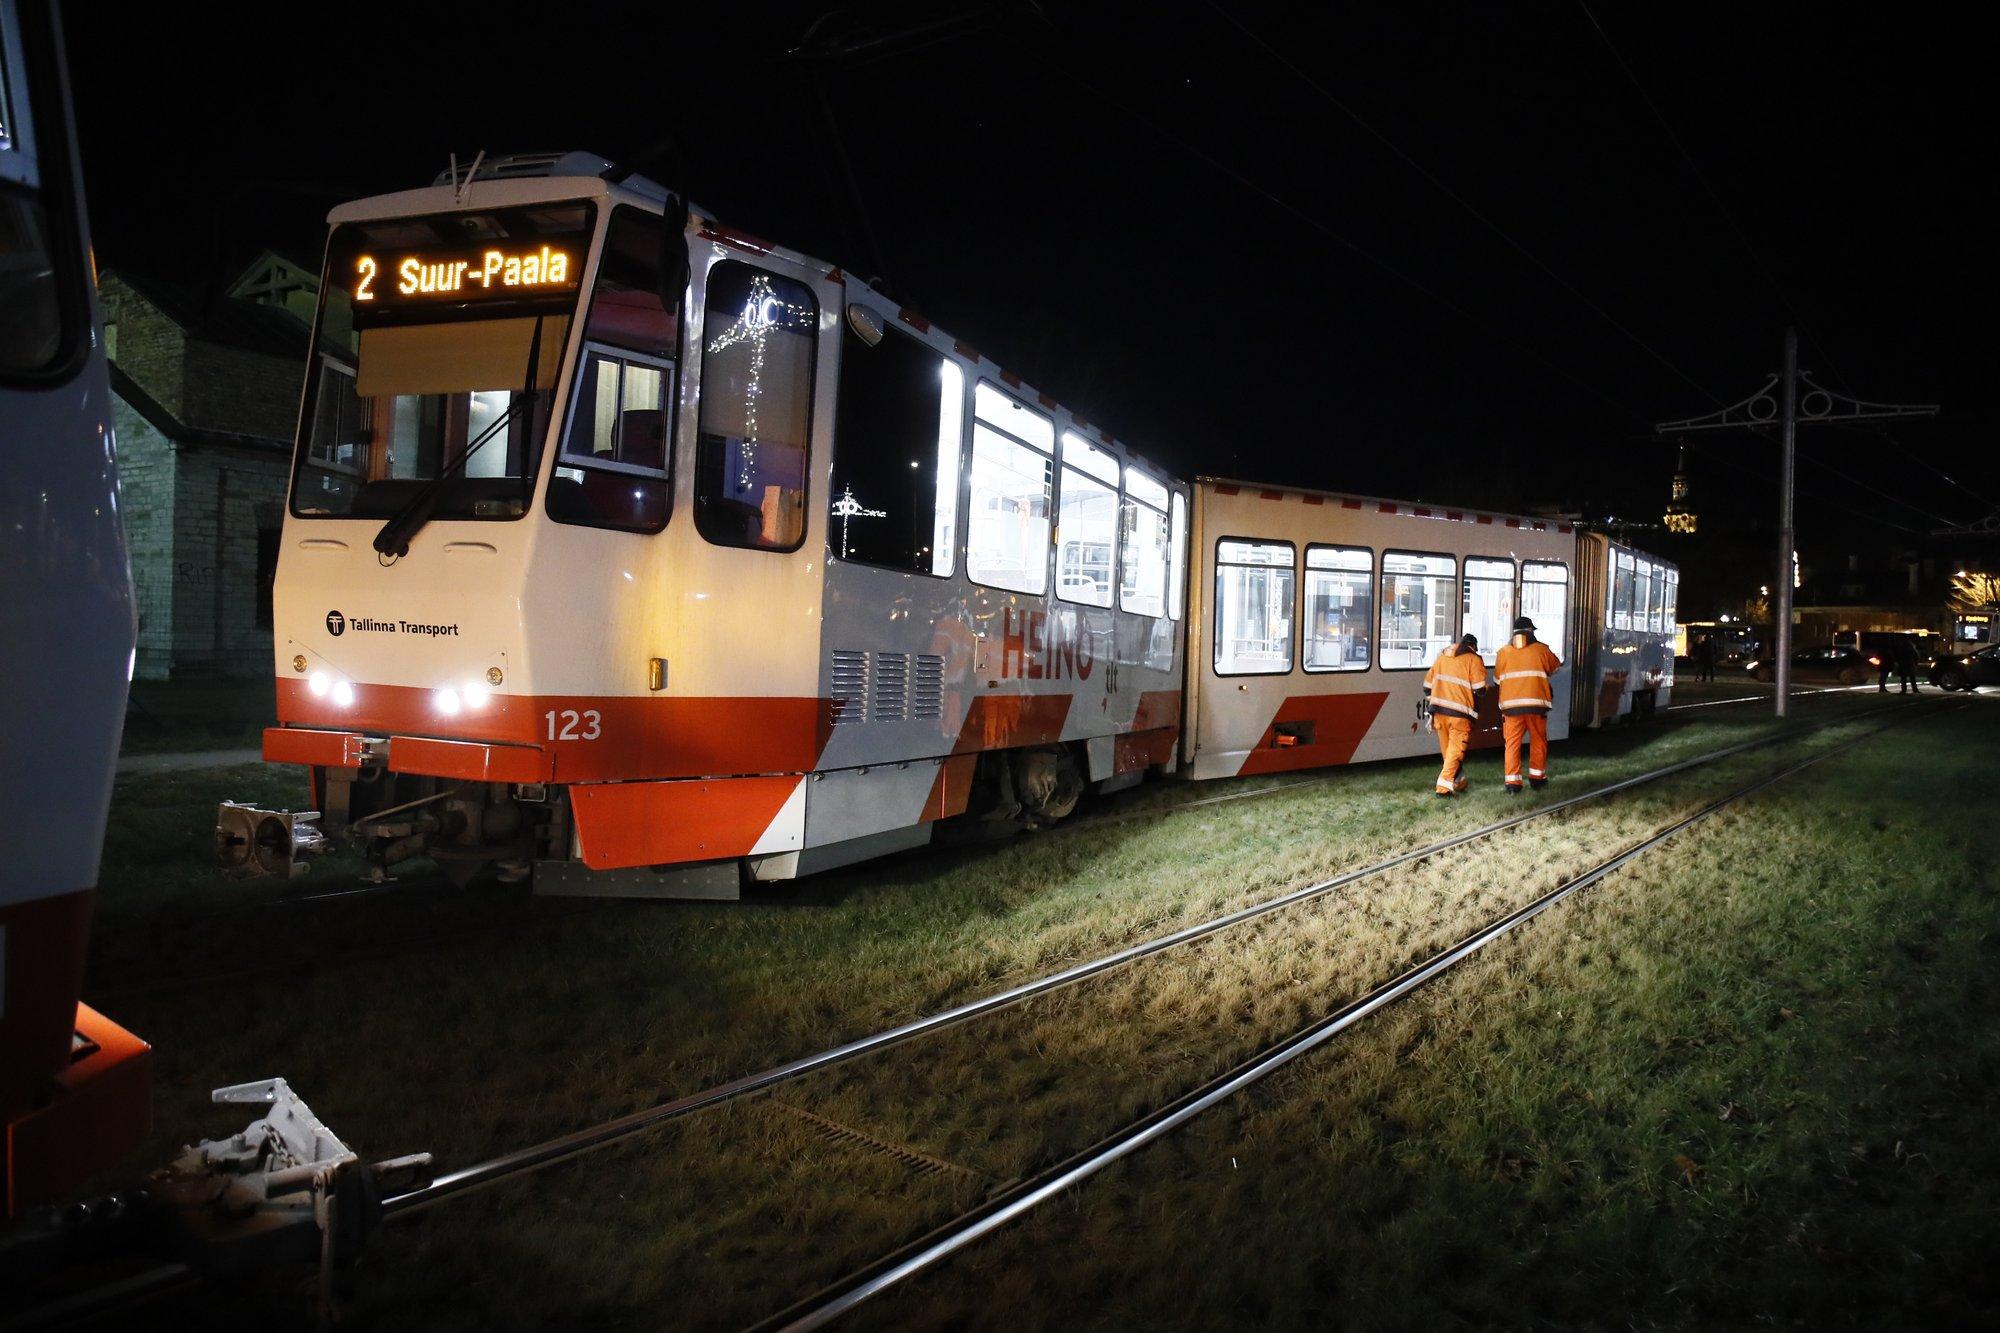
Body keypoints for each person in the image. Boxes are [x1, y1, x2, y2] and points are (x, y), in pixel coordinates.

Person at [1495, 616, 1563, 794]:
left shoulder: (1503, 652)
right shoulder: (1541, 649)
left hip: (1510, 708)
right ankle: (1537, 779)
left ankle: (1512, 784)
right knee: (1538, 741)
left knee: (1511, 744)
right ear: (1530, 631)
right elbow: (1555, 667)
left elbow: (1496, 679)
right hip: (1536, 705)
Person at [1422, 632, 1488, 796]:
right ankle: (1443, 787)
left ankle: (1459, 781)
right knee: (1455, 751)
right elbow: (1479, 688)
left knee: (1448, 752)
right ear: (1473, 647)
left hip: (1438, 712)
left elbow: (1427, 686)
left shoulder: (1442, 657)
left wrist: (1436, 700)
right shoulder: (1474, 659)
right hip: (1459, 714)